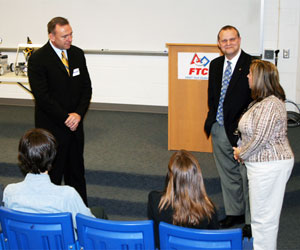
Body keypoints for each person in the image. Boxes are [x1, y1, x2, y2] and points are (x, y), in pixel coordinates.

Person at [28, 17, 92, 205]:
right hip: (52, 128)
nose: (70, 39)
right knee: (53, 175)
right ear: (51, 36)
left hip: (75, 126)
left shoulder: (78, 54)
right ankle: (52, 212)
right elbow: (43, 97)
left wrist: (78, 114)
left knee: (77, 173)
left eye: (71, 34)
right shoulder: (38, 59)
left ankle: (81, 212)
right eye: (65, 36)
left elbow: (86, 88)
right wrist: (66, 118)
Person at [233, 60, 294, 250]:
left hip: (270, 165)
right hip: (262, 165)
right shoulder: (262, 102)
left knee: (264, 220)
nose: (247, 76)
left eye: (251, 73)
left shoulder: (271, 104)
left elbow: (260, 139)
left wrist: (241, 152)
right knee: (261, 217)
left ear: (260, 78)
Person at [204, 25, 252, 236]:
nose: (228, 43)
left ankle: (250, 220)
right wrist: (213, 122)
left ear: (239, 40)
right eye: (224, 41)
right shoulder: (215, 64)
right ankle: (235, 212)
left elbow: (255, 98)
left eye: (232, 39)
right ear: (219, 44)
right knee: (228, 173)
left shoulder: (252, 64)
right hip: (219, 126)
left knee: (247, 175)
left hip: (243, 131)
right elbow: (213, 96)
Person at [2, 128, 96, 227]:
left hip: (22, 242)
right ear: (53, 156)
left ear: (21, 157)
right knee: (100, 213)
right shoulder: (67, 195)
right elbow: (90, 227)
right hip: (60, 243)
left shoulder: (10, 192)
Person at [147, 150, 219, 248]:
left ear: (170, 177)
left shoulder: (155, 202)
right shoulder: (209, 210)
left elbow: (156, 241)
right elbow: (213, 244)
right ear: (197, 178)